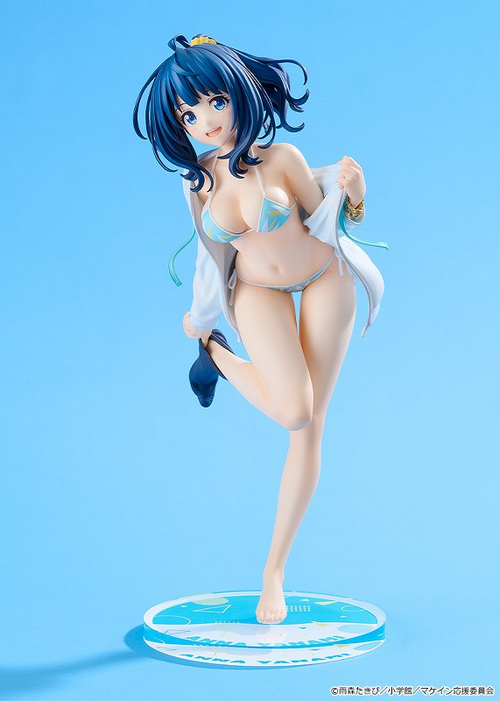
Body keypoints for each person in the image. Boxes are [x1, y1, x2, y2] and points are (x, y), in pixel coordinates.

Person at [133, 33, 388, 625]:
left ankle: (274, 571)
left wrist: (357, 194)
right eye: (188, 115)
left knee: (310, 426)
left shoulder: (282, 159)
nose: (206, 122)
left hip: (323, 276)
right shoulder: (198, 181)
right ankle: (215, 354)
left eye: (215, 102)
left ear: (238, 93)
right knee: (293, 411)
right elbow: (210, 257)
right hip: (256, 291)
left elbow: (330, 220)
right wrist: (202, 319)